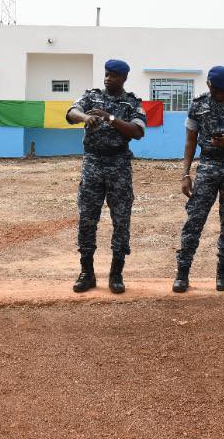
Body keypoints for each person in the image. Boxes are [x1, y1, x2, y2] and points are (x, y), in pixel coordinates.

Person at [173, 66, 224, 293]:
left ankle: (222, 273)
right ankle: (182, 273)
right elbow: (190, 140)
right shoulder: (198, 104)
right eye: (215, 89)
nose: (219, 94)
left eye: (223, 90)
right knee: (195, 219)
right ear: (209, 85)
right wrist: (186, 174)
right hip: (207, 166)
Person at [66, 59, 147, 294]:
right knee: (87, 218)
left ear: (123, 78)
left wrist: (108, 117)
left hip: (119, 164)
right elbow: (71, 112)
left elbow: (138, 131)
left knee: (121, 220)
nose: (107, 78)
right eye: (106, 74)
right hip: (92, 162)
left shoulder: (131, 102)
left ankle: (116, 274)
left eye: (112, 75)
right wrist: (85, 118)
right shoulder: (91, 96)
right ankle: (87, 273)